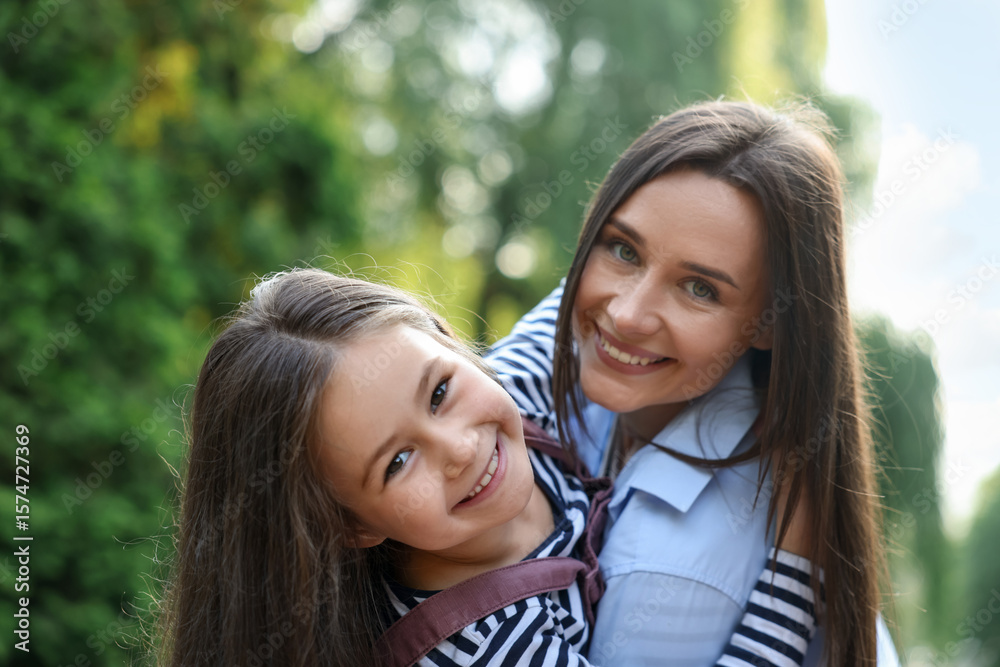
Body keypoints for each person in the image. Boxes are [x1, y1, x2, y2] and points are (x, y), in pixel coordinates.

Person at [157, 268, 822, 667]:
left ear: (451, 342)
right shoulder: (489, 645)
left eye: (439, 392)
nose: (459, 449)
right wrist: (798, 551)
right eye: (397, 462)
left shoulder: (512, 390)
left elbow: (597, 284)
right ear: (350, 525)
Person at [487, 100, 899, 666]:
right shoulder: (622, 370)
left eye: (700, 289)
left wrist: (793, 579)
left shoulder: (667, 569)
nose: (627, 314)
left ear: (771, 324)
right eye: (624, 249)